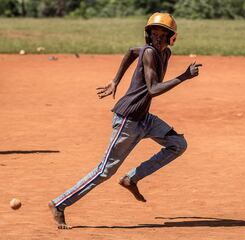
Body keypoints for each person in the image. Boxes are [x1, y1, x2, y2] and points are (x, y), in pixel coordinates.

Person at [49, 12, 202, 229]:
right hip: (127, 121)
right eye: (154, 34)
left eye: (162, 34)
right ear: (148, 35)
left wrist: (115, 80)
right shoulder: (150, 52)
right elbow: (153, 89)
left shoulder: (164, 53)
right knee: (105, 171)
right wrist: (184, 77)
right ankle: (59, 203)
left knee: (178, 144)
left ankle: (132, 178)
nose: (157, 38)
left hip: (144, 118)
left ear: (171, 38)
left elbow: (131, 52)